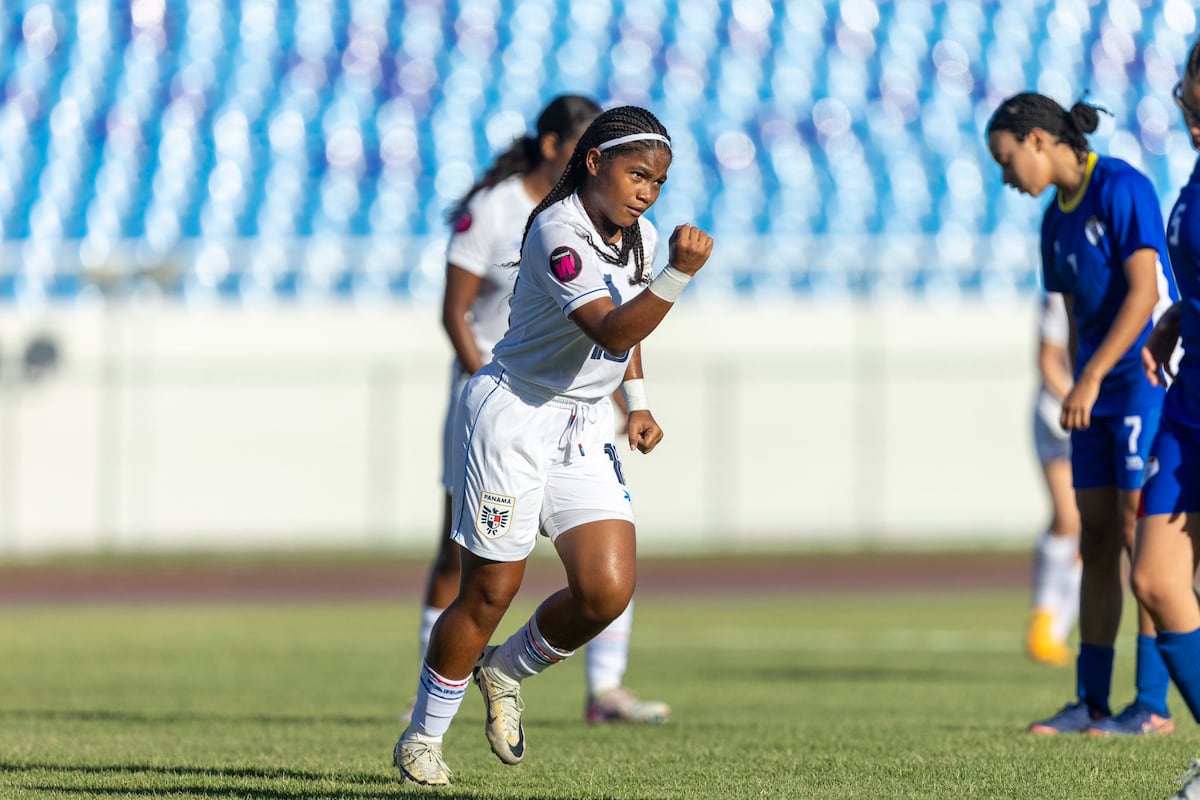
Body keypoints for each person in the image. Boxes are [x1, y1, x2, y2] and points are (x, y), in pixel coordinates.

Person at [393, 105, 712, 786]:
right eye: (636, 175)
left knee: (606, 590)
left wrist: (640, 403)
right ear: (593, 161)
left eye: (657, 182)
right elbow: (611, 329)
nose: (646, 192)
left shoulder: (642, 235)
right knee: (489, 592)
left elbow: (629, 332)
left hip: (584, 421)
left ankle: (504, 671)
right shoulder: (556, 229)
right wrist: (679, 277)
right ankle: (422, 737)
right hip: (514, 413)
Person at [987, 92, 1178, 736]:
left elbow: (1147, 290)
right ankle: (1090, 701)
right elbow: (1073, 319)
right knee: (1094, 538)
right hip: (1094, 397)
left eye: (1008, 160)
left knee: (1135, 533)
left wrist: (1091, 378)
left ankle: (1151, 706)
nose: (1007, 177)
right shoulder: (1053, 222)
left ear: (1038, 140)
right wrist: (1078, 381)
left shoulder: (1122, 186)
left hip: (1144, 385)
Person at [1131, 41, 1200, 799]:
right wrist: (1177, 317)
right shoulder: (1196, 175)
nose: (1186, 106)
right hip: (1189, 401)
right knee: (1154, 577)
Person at [1025, 291, 1083, 667]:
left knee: (1097, 530)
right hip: (1059, 419)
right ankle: (1044, 617)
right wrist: (1082, 396)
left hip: (1101, 417)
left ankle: (1056, 626)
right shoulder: (1059, 295)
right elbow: (1048, 362)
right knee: (1069, 517)